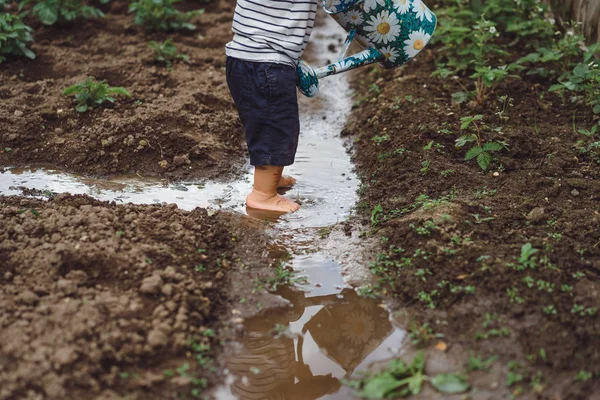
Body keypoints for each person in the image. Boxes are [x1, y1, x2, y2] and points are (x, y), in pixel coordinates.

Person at [225, 0, 318, 213]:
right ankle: (263, 194)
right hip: (265, 62)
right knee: (274, 130)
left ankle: (269, 179)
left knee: (268, 124)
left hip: (249, 57)